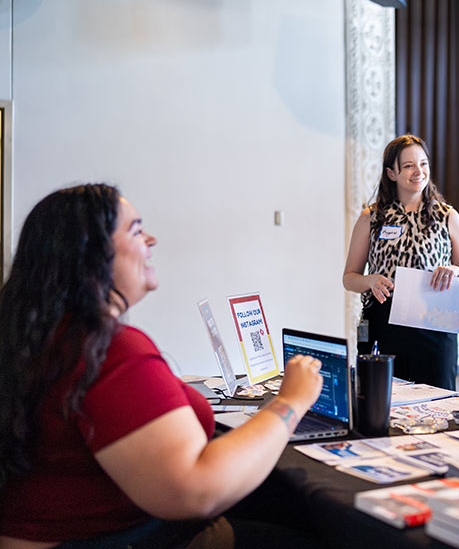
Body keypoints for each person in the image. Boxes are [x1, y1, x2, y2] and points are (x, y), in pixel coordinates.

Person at [0, 184, 324, 548]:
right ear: (92, 252)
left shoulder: (43, 336)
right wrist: (291, 401)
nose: (151, 240)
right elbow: (198, 490)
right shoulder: (106, 347)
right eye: (136, 231)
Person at [343, 134, 459, 390]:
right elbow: (349, 277)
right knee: (381, 400)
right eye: (408, 166)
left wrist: (456, 271)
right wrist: (369, 280)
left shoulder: (447, 215)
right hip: (383, 324)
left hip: (434, 325)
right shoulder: (371, 218)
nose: (419, 172)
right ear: (391, 173)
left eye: (423, 164)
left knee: (439, 405)